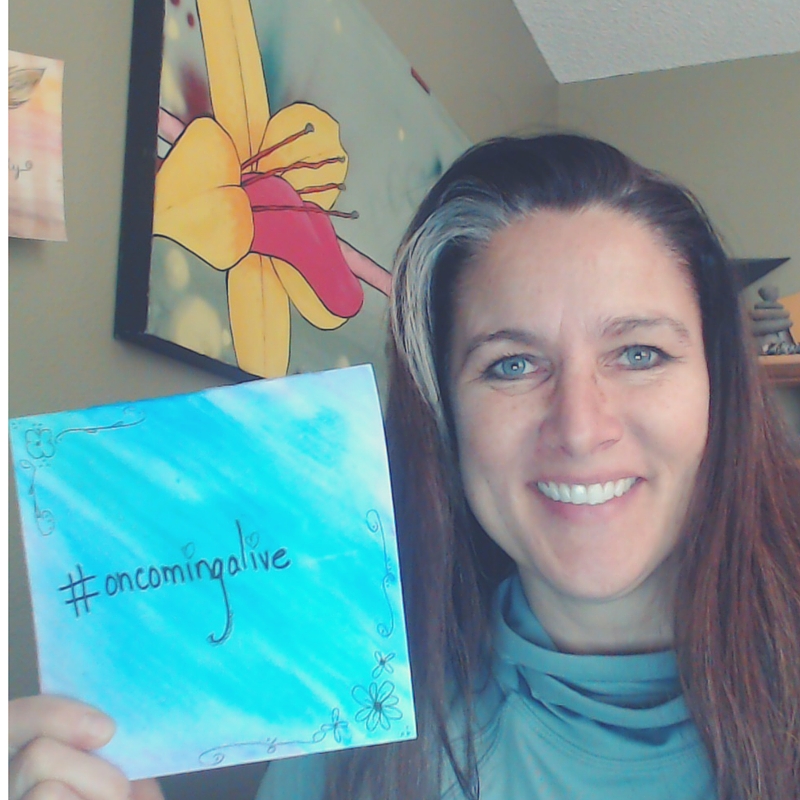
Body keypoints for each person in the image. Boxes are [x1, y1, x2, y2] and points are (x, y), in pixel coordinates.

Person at [9, 134, 800, 800]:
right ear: (444, 415)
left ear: (719, 386)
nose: (581, 428)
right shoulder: (350, 721)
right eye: (512, 365)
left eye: (639, 353)